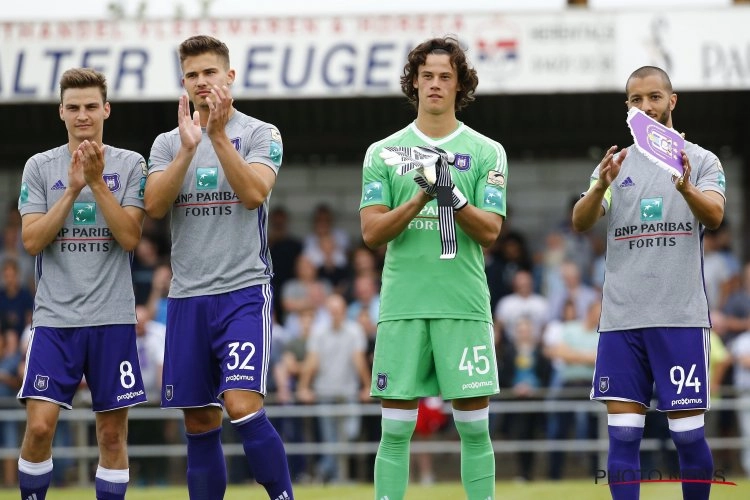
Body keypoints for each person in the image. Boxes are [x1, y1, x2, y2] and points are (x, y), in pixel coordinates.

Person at [144, 35, 293, 499]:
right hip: (187, 297)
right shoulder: (169, 143)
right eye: (192, 75)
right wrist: (189, 148)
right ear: (183, 83)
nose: (202, 82)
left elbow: (253, 193)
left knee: (242, 405)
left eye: (210, 72)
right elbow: (152, 206)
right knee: (200, 418)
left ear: (229, 76)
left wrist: (217, 136)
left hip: (244, 290)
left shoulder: (261, 133)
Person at [360, 36, 506, 500]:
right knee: (396, 431)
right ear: (414, 82)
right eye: (428, 76)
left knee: (474, 429)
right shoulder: (383, 152)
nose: (436, 84)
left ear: (459, 84)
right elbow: (372, 233)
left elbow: (489, 231)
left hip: (461, 304)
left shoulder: (487, 151)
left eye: (446, 76)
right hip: (403, 304)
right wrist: (421, 195)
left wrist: (450, 194)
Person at [572, 66, 726, 500]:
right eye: (636, 101)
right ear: (627, 109)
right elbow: (580, 222)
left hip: (679, 316)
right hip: (622, 320)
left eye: (654, 98)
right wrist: (599, 184)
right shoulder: (615, 165)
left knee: (688, 437)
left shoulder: (701, 160)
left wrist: (684, 185)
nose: (646, 108)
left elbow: (714, 216)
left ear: (672, 101)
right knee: (623, 437)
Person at [16, 67, 148, 500]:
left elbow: (130, 237)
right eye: (73, 107)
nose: (83, 115)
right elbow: (32, 240)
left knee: (111, 437)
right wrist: (72, 190)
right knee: (39, 427)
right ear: (61, 112)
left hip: (112, 319)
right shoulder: (39, 166)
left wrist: (96, 182)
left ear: (106, 109)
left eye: (91, 106)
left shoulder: (130, 164)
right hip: (56, 320)